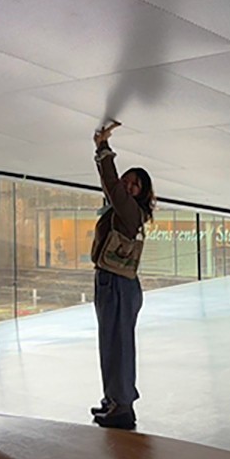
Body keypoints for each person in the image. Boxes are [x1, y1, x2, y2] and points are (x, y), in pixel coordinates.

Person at [90, 121, 155, 430]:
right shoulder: (118, 211)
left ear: (142, 193)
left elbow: (111, 186)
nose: (128, 187)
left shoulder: (129, 211)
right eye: (126, 181)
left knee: (118, 345)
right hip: (113, 281)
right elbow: (111, 189)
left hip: (118, 284)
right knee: (110, 342)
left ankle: (123, 406)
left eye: (134, 185)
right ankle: (113, 400)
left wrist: (103, 148)